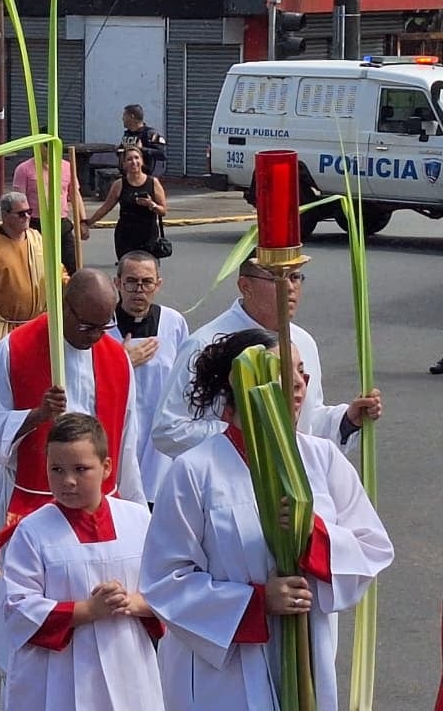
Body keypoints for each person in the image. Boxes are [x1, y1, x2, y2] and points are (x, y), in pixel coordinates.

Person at [140, 330, 392, 711]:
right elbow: (164, 581)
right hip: (225, 673)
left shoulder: (321, 458)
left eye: (302, 371)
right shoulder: (195, 471)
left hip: (308, 653)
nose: (298, 382)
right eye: (282, 371)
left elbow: (372, 548)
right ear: (242, 381)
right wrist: (255, 603)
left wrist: (313, 538)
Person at [0, 268, 144, 668]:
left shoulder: (116, 358)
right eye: (87, 326)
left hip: (99, 510)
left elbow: (127, 440)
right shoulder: (15, 349)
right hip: (34, 502)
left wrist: (135, 512)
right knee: (31, 624)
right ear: (64, 307)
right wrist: (35, 416)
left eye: (104, 326)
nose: (96, 336)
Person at [0, 413, 162, 711]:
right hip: (59, 671)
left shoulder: (138, 520)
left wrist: (134, 602)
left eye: (81, 469)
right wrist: (88, 610)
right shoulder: (32, 531)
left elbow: (169, 586)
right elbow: (17, 607)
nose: (68, 481)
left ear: (106, 467)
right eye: (57, 469)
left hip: (128, 661)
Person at [151, 256, 382, 460]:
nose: (289, 288)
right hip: (227, 478)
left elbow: (307, 423)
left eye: (295, 277)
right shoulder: (205, 344)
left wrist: (347, 421)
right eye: (277, 279)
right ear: (245, 286)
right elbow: (169, 430)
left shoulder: (303, 342)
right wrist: (245, 433)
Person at [106, 251, 188, 502]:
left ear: (158, 284)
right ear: (117, 283)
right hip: (117, 430)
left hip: (159, 438)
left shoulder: (173, 323)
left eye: (147, 282)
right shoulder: (103, 326)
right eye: (131, 282)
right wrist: (121, 362)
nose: (138, 290)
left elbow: (186, 381)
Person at [0, 191, 58, 356]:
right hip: (5, 330)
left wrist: (74, 287)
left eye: (29, 212)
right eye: (21, 214)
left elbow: (57, 272)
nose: (27, 217)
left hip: (38, 326)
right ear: (5, 215)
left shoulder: (38, 239)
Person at [11, 152, 90, 274]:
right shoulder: (24, 169)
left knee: (72, 266)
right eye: (44, 145)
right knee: (35, 268)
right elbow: (18, 201)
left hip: (61, 224)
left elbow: (75, 195)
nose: (48, 149)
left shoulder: (67, 167)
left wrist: (83, 221)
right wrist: (19, 228)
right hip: (35, 225)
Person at [86, 147, 166, 260]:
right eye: (129, 159)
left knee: (147, 267)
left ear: (142, 161)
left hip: (148, 236)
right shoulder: (119, 184)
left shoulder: (153, 182)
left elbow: (163, 211)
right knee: (127, 267)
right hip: (125, 236)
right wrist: (88, 223)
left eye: (136, 158)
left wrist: (151, 205)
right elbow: (105, 208)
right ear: (124, 164)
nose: (134, 162)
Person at [119, 104, 166, 176]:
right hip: (127, 175)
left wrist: (142, 149)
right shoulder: (127, 134)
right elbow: (121, 151)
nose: (122, 119)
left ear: (132, 117)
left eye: (124, 116)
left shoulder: (150, 133)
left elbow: (162, 154)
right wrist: (120, 150)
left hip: (144, 176)